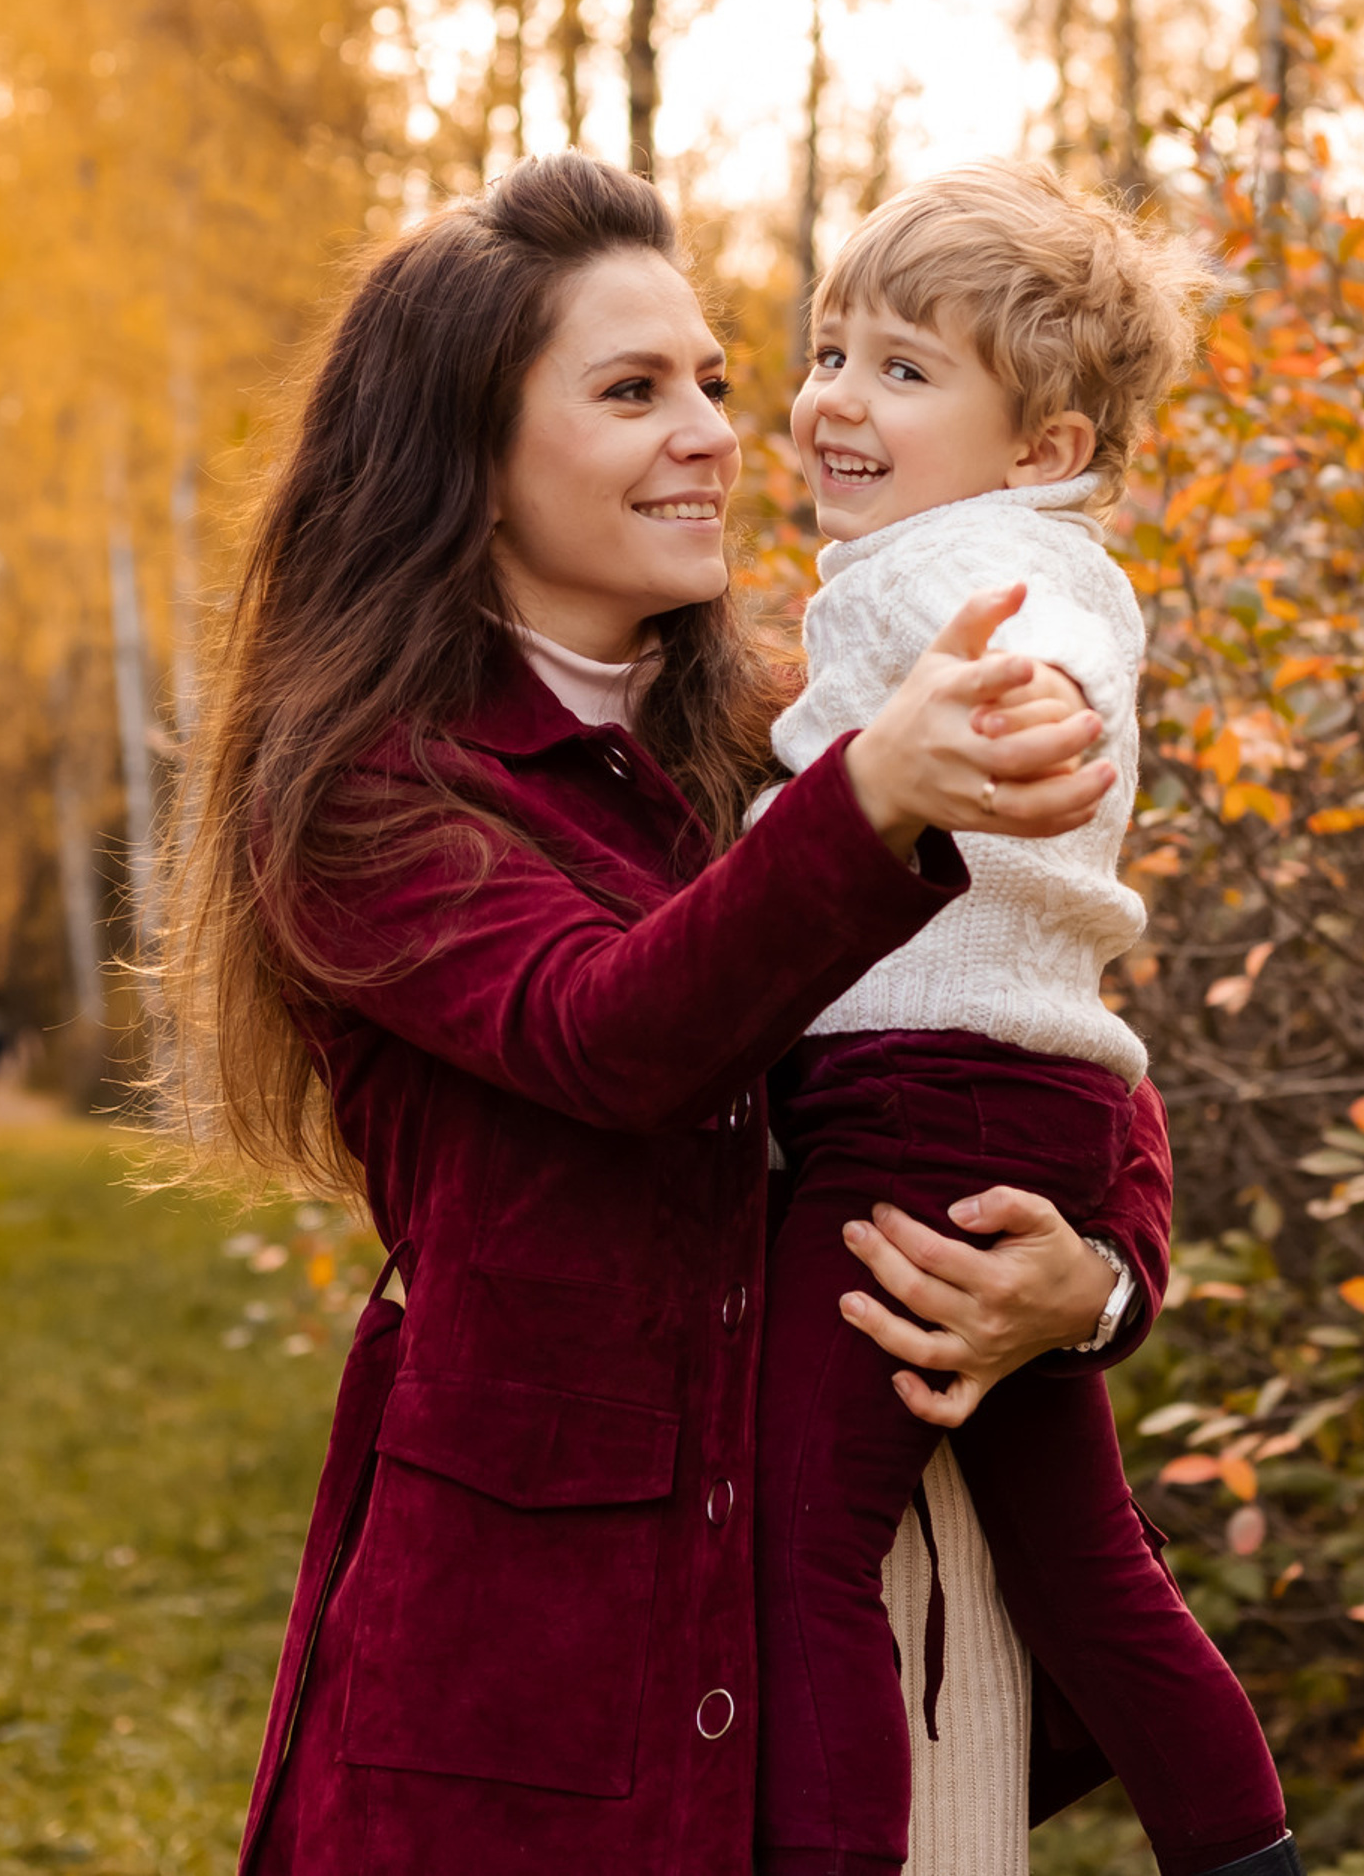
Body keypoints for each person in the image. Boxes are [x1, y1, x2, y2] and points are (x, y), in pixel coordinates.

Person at [168, 154, 1184, 1875]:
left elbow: (1034, 1011)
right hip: (535, 1669)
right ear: (468, 457)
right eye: (633, 391)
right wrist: (872, 805)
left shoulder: (787, 740)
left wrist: (1092, 1286)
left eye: (714, 380)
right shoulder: (365, 797)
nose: (720, 431)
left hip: (868, 1608)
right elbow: (607, 1033)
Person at [754, 165, 1295, 1876]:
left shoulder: (980, 564)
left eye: (907, 371)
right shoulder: (936, 551)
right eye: (833, 348)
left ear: (1042, 449)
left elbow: (1038, 638)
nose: (838, 398)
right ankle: (1243, 1853)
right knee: (1084, 1560)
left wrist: (1029, 700)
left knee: (805, 1537)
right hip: (1024, 1100)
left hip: (916, 1109)